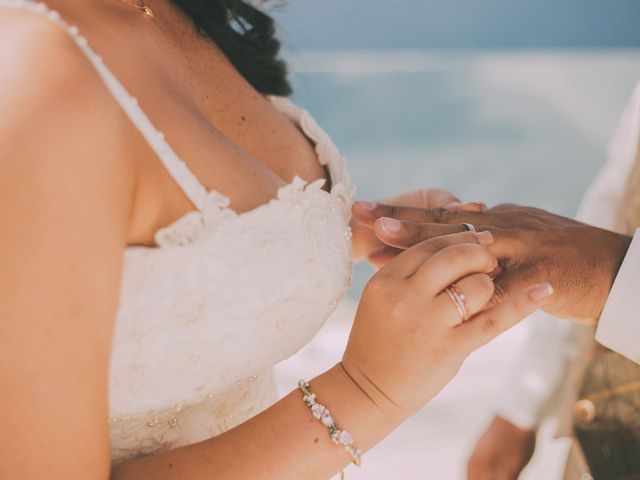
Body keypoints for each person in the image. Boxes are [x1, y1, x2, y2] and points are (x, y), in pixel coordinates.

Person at [0, 1, 554, 478]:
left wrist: (349, 236)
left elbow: (136, 250)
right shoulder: (31, 68)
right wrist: (369, 390)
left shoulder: (164, 9)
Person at [352, 81, 640, 479]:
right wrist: (518, 409)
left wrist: (618, 275)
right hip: (599, 437)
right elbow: (616, 199)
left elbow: (601, 262)